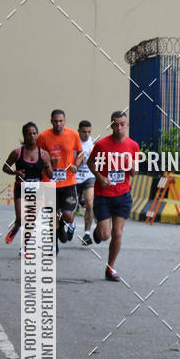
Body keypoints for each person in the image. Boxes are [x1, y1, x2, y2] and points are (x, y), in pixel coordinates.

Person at [86, 110, 139, 282]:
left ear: (127, 125)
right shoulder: (102, 145)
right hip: (103, 194)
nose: (118, 128)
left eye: (122, 124)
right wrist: (100, 177)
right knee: (105, 235)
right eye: (115, 124)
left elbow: (135, 171)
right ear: (111, 125)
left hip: (123, 194)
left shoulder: (133, 146)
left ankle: (110, 267)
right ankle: (98, 231)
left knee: (117, 233)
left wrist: (133, 167)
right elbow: (90, 162)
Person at [37, 109, 83, 250]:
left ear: (65, 121)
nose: (58, 124)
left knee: (68, 215)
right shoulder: (43, 136)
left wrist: (76, 164)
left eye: (60, 121)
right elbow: (38, 156)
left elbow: (81, 153)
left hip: (68, 182)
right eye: (55, 121)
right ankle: (54, 245)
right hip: (49, 182)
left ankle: (64, 224)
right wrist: (49, 162)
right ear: (51, 121)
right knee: (52, 216)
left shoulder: (73, 134)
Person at [3, 123, 53, 244]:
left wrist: (48, 166)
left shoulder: (44, 154)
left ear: (37, 135)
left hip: (38, 189)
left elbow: (51, 175)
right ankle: (16, 227)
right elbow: (5, 168)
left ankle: (25, 246)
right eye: (29, 134)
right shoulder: (17, 152)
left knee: (30, 219)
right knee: (20, 219)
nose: (32, 136)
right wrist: (16, 172)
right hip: (21, 188)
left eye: (34, 133)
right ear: (24, 135)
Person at [75, 119, 95, 245]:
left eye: (88, 132)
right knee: (72, 204)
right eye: (84, 132)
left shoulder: (93, 144)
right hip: (75, 176)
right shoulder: (73, 141)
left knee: (89, 202)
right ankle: (70, 224)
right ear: (79, 131)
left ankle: (87, 234)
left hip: (88, 175)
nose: (86, 135)